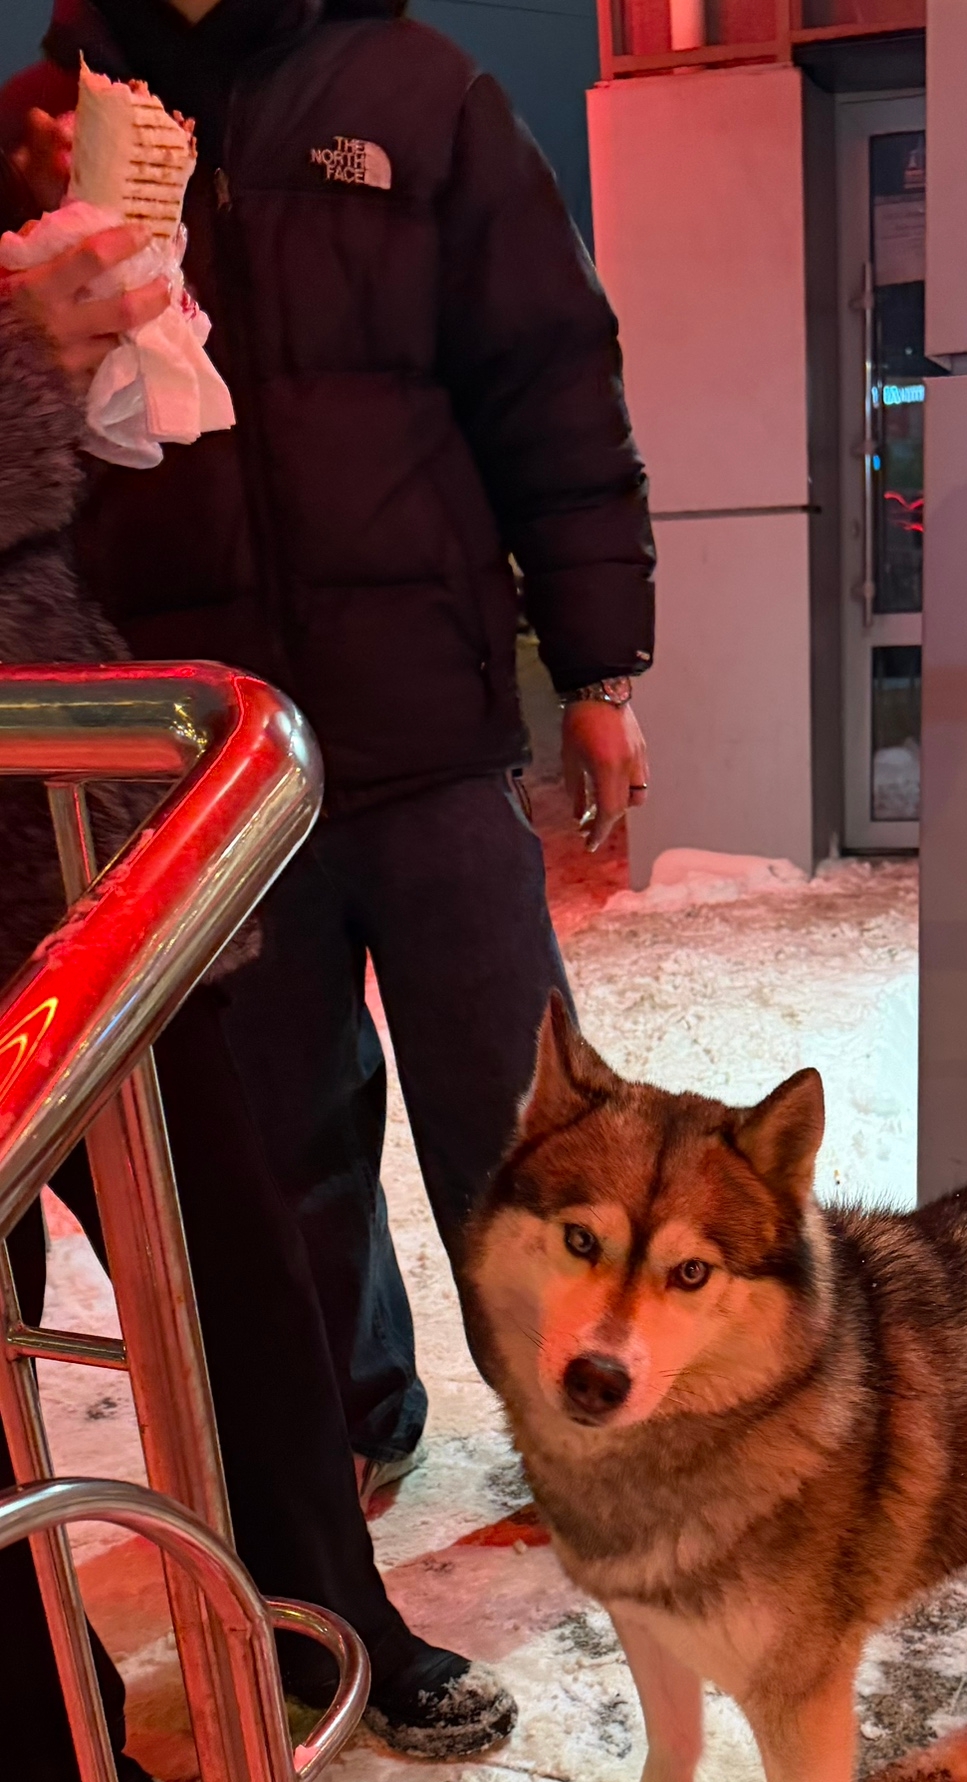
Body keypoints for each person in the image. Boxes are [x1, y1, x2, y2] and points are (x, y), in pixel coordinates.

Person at [1, 0, 656, 1504]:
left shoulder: (419, 90)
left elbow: (552, 385)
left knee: (526, 1123)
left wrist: (600, 666)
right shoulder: (40, 120)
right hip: (199, 765)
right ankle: (352, 1422)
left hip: (425, 720)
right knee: (283, 1137)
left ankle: (581, 1428)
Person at [0, 213, 520, 1782]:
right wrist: (22, 369)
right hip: (48, 856)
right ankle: (42, 1737)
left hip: (86, 881)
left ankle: (315, 1614)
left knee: (241, 1280)